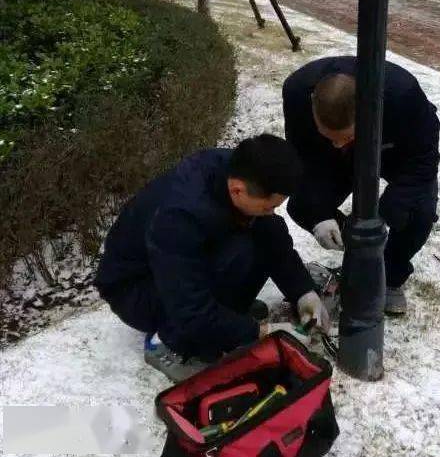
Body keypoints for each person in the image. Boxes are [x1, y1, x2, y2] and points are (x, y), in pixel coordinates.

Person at [94, 134, 329, 381]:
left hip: (173, 264)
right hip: (135, 289)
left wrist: (304, 292)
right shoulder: (179, 217)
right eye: (268, 205)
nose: (271, 211)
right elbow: (191, 309)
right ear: (238, 190)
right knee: (239, 256)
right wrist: (259, 331)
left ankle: (224, 313)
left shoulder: (239, 170)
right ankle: (169, 343)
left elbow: (271, 234)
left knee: (266, 229)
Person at [283, 56, 440, 315]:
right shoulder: (297, 92)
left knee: (417, 212)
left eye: (345, 137)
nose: (337, 143)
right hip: (336, 163)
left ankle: (390, 275)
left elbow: (423, 161)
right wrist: (320, 215)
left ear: (368, 112)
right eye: (329, 136)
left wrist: (384, 215)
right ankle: (356, 254)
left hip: (393, 151)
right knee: (302, 204)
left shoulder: (403, 95)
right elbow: (302, 158)